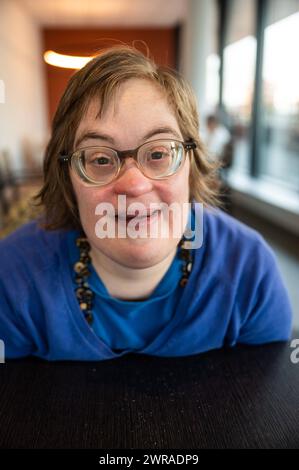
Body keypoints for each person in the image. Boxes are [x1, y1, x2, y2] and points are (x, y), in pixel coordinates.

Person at [0, 46, 292, 361]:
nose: (135, 185)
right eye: (100, 158)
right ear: (67, 178)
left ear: (190, 166)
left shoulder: (248, 272)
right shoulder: (13, 278)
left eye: (157, 154)